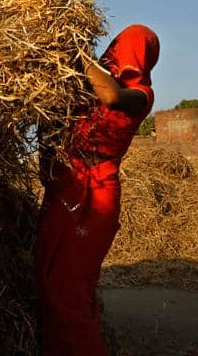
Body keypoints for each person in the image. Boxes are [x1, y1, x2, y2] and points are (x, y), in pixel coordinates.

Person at [34, 24, 160, 355]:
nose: (117, 50)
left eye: (125, 46)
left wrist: (74, 48)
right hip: (67, 184)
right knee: (49, 277)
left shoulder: (140, 94)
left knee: (70, 290)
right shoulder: (91, 85)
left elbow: (112, 97)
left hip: (95, 195)